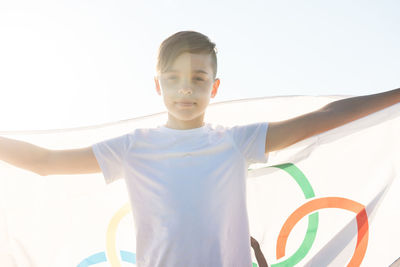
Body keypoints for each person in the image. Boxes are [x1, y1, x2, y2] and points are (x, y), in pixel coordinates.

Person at [0, 30, 399, 267]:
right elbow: (44, 162)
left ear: (215, 86)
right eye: (173, 78)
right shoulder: (132, 148)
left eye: (198, 77)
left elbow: (324, 117)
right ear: (158, 85)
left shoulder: (234, 142)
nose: (186, 88)